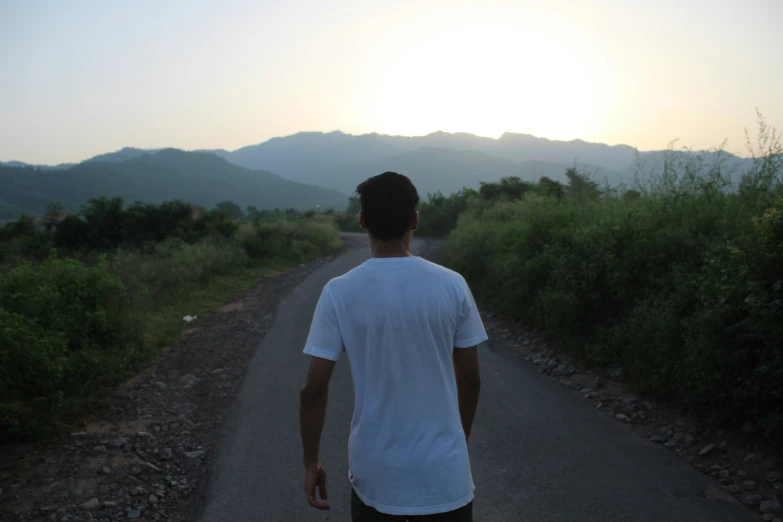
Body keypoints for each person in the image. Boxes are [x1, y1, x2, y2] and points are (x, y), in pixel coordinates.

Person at [299, 172, 487, 521]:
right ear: (415, 220)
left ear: (362, 221)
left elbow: (314, 389)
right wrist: (459, 437)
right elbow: (471, 378)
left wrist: (311, 461)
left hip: (378, 478)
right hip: (446, 478)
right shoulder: (453, 285)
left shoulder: (339, 292)